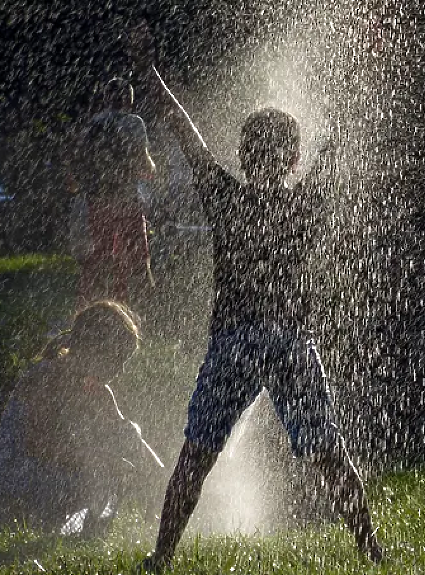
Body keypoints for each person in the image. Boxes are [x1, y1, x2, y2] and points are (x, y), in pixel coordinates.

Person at [128, 25, 383, 572]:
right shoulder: (307, 204)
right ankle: (373, 552)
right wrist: (346, 92)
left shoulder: (224, 197)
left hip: (235, 341)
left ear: (243, 157)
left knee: (195, 457)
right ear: (293, 160)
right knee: (329, 457)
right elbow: (334, 148)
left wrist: (150, 74)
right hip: (291, 342)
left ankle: (159, 558)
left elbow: (185, 132)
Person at [0, 300, 165, 536]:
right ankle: (63, 528)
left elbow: (126, 436)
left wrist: (159, 475)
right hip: (15, 481)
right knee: (107, 469)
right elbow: (37, 444)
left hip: (49, 473)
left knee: (121, 450)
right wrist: (95, 461)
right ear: (92, 349)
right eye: (116, 360)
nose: (119, 370)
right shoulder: (45, 379)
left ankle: (82, 530)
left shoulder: (97, 390)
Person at [75, 78, 156, 310]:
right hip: (125, 198)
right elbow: (143, 159)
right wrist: (152, 167)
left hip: (97, 198)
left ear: (106, 99)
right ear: (129, 101)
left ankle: (89, 305)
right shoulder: (134, 123)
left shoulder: (94, 123)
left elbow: (81, 158)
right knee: (137, 256)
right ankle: (133, 308)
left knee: (102, 254)